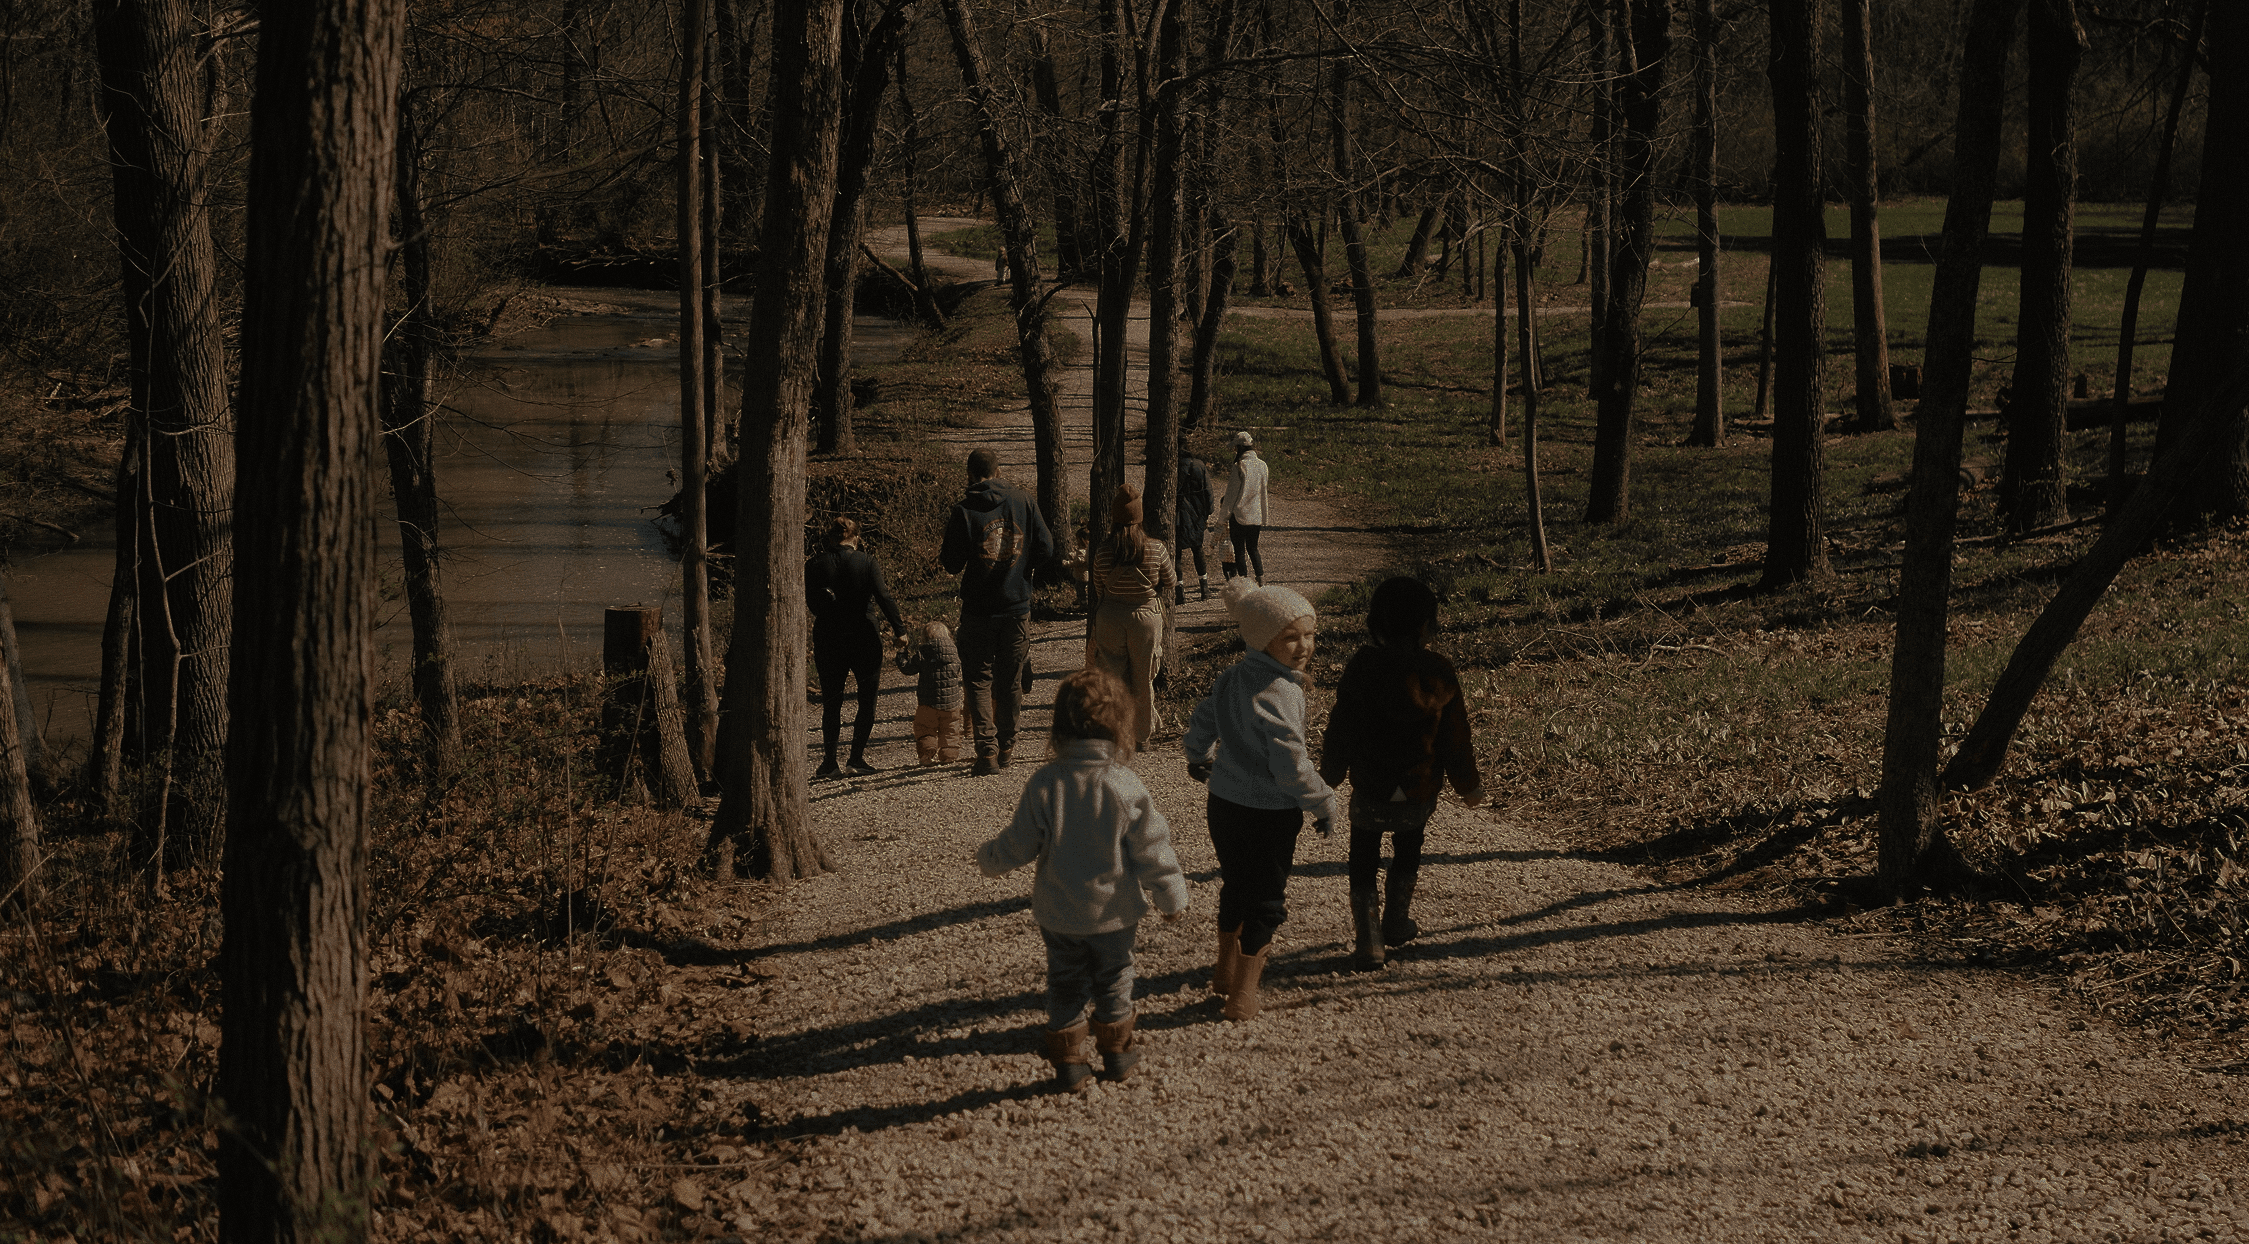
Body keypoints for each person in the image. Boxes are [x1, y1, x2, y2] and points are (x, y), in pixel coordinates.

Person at [976, 669, 1189, 1092]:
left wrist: (990, 859)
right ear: (1120, 727)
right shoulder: (1124, 784)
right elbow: (1152, 848)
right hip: (1114, 913)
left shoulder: (1044, 784)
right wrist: (1170, 894)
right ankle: (1118, 1053)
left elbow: (1019, 844)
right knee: (1115, 977)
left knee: (1065, 981)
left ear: (1059, 728)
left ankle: (1070, 1060)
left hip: (1059, 913)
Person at [1181, 577, 1338, 1022]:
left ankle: (1225, 971)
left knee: (1235, 884)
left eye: (1309, 634)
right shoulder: (1283, 691)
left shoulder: (1232, 676)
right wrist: (1322, 800)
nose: (1303, 645)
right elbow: (1290, 763)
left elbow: (1205, 716)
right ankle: (1243, 995)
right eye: (1289, 637)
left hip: (1224, 803)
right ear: (1260, 639)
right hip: (1267, 813)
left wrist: (1198, 752)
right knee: (1266, 898)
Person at [1319, 576, 1486, 971]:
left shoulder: (1362, 667)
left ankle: (1368, 937)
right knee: (1408, 849)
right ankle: (1396, 921)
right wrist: (1469, 786)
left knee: (1363, 855)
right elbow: (1455, 739)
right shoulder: (1438, 672)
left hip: (1371, 791)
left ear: (1375, 623)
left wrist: (1329, 774)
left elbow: (1341, 725)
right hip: (1417, 792)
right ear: (1427, 626)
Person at [940, 448, 1056, 776]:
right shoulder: (1023, 500)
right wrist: (1022, 569)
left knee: (978, 680)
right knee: (1011, 679)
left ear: (969, 473)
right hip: (1016, 607)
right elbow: (1046, 547)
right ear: (999, 469)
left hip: (977, 611)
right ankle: (1007, 745)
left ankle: (986, 751)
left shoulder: (963, 511)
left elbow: (950, 563)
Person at [805, 516, 906, 778]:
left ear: (830, 539)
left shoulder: (814, 565)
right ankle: (856, 758)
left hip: (829, 638)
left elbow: (813, 606)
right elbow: (884, 597)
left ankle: (829, 763)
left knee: (831, 701)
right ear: (856, 538)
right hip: (864, 636)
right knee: (866, 699)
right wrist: (900, 630)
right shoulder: (867, 562)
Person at [1087, 484, 1175, 748]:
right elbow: (1170, 581)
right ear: (1139, 517)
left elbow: (1099, 587)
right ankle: (1141, 737)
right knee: (1143, 678)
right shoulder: (1156, 548)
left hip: (1111, 617)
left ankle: (1113, 733)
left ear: (1114, 517)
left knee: (1111, 679)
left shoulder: (1103, 551)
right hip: (1146, 618)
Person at [896, 621, 965, 766]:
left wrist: (902, 653)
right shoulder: (956, 651)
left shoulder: (923, 652)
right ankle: (949, 754)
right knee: (951, 729)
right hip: (951, 704)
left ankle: (926, 753)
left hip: (927, 703)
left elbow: (907, 668)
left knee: (925, 728)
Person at [1219, 430, 1270, 585]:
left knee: (1240, 550)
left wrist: (1223, 517)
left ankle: (1245, 583)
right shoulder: (1263, 466)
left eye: (1236, 448)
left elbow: (1231, 496)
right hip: (1256, 515)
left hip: (1239, 515)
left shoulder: (1239, 466)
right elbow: (1263, 492)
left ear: (1240, 448)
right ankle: (1261, 580)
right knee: (1253, 549)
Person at [1175, 446, 1215, 603]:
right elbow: (1208, 491)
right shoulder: (1199, 465)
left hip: (1177, 517)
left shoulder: (1172, 465)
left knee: (1176, 554)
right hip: (1196, 515)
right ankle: (1204, 588)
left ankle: (1179, 592)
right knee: (1198, 550)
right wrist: (1207, 512)